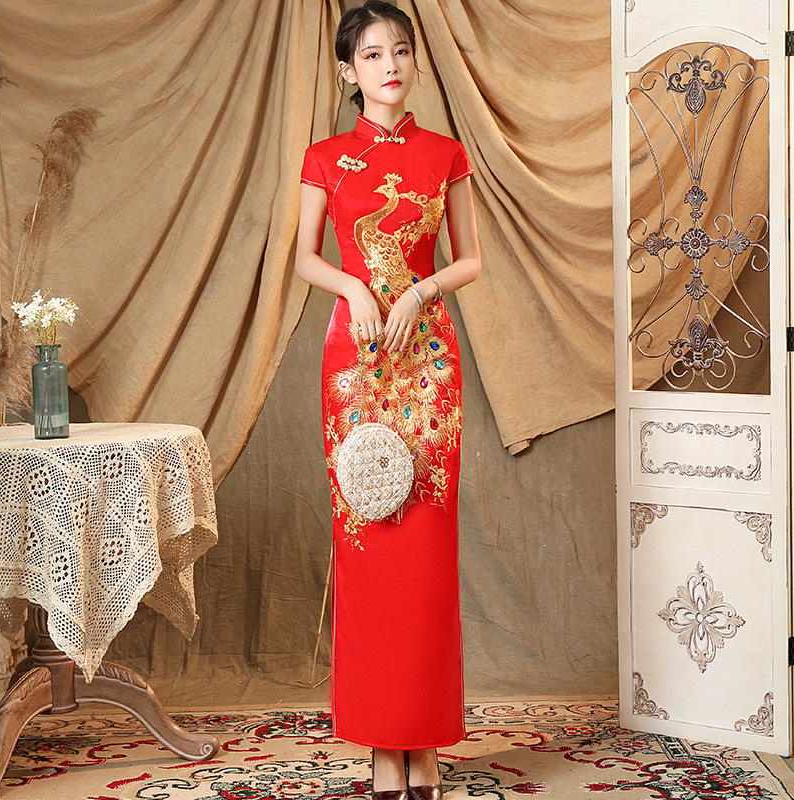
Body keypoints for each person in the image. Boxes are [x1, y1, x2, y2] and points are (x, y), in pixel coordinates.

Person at [295, 2, 481, 798]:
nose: (390, 65)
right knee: (369, 542)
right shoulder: (325, 158)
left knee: (427, 551)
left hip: (428, 365)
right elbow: (304, 259)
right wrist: (354, 288)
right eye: (372, 55)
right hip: (356, 364)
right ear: (349, 71)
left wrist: (420, 291)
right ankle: (381, 739)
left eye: (400, 51)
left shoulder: (445, 153)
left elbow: (470, 260)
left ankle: (423, 740)